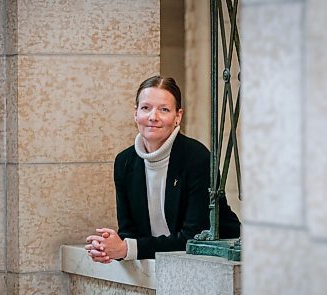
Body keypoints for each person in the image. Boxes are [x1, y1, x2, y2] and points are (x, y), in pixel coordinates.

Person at [85, 75, 240, 263]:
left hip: (220, 263)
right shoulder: (124, 162)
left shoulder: (197, 158)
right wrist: (107, 247)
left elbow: (194, 237)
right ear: (135, 113)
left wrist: (126, 248)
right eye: (145, 108)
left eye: (164, 109)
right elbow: (129, 232)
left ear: (178, 116)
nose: (153, 117)